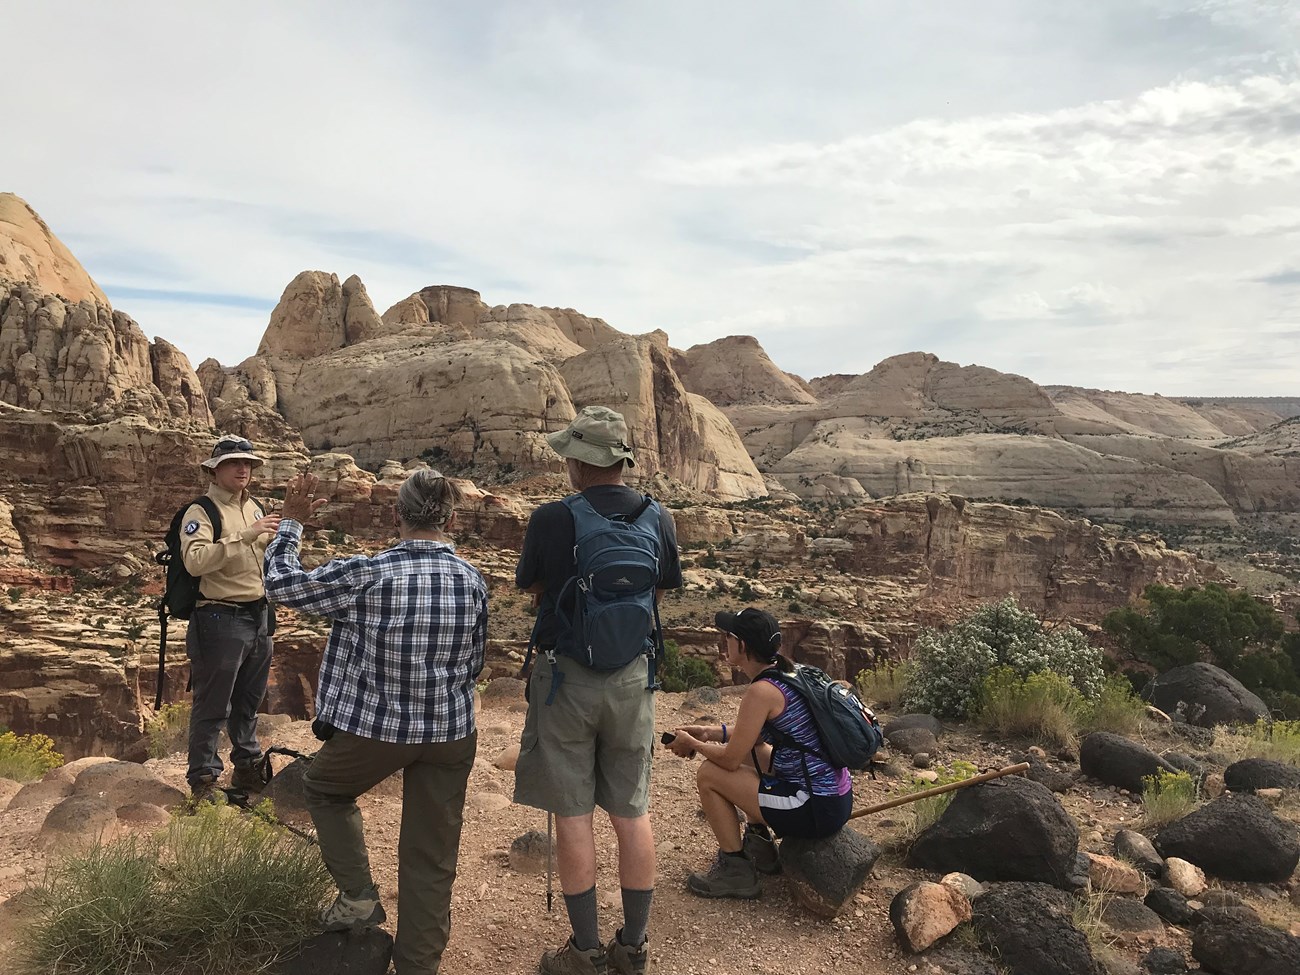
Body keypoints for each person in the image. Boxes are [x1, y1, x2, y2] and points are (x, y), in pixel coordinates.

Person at [263, 468, 487, 975]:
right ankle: (416, 967)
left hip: (377, 731)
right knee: (431, 857)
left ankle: (359, 898)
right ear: (450, 517)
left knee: (323, 789)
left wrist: (292, 525)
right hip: (450, 731)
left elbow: (281, 584)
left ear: (395, 515)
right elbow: (474, 663)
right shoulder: (472, 580)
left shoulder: (368, 572)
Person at [514, 406, 683, 975]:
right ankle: (633, 948)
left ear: (581, 461)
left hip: (566, 679)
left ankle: (584, 952)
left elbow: (531, 584)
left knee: (574, 813)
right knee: (632, 811)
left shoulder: (551, 518)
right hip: (633, 677)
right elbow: (661, 588)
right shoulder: (658, 516)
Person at [666, 607, 853, 899]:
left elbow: (727, 760)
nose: (722, 640)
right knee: (754, 753)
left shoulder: (761, 691)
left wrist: (694, 744)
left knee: (709, 774)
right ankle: (760, 847)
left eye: (727, 635)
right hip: (834, 798)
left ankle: (735, 872)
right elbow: (752, 739)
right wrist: (708, 733)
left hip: (814, 806)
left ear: (742, 645)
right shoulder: (790, 674)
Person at [181, 435, 282, 800]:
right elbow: (196, 562)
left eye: (249, 463)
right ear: (215, 469)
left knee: (249, 702)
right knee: (213, 704)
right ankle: (204, 781)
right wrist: (247, 535)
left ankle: (247, 769)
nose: (244, 469)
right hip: (219, 619)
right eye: (235, 462)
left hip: (258, 616)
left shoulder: (253, 506)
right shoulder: (202, 511)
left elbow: (264, 553)